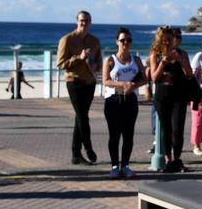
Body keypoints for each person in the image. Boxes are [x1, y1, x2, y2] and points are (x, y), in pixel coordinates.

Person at [57, 11, 102, 165]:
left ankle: (76, 154)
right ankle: (88, 147)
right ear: (77, 21)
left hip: (89, 83)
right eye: (82, 20)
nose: (84, 23)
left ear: (90, 23)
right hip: (74, 82)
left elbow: (99, 65)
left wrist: (93, 64)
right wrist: (79, 58)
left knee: (80, 117)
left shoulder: (95, 41)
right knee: (83, 116)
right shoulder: (67, 39)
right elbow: (60, 64)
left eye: (87, 21)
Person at [102, 27, 146, 179]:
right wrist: (122, 84)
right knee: (114, 135)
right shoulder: (110, 60)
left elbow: (145, 78)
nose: (125, 43)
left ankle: (125, 165)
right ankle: (114, 166)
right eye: (122, 40)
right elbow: (105, 81)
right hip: (113, 100)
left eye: (128, 40)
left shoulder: (136, 60)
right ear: (117, 42)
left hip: (130, 100)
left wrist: (133, 85)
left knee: (128, 135)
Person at [148, 26, 192, 173]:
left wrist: (180, 60)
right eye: (164, 39)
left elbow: (189, 74)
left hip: (179, 95)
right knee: (165, 128)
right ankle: (168, 160)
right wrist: (163, 63)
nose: (167, 42)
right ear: (160, 40)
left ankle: (177, 158)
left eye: (170, 39)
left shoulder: (181, 53)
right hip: (162, 96)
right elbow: (154, 78)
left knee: (178, 129)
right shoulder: (156, 55)